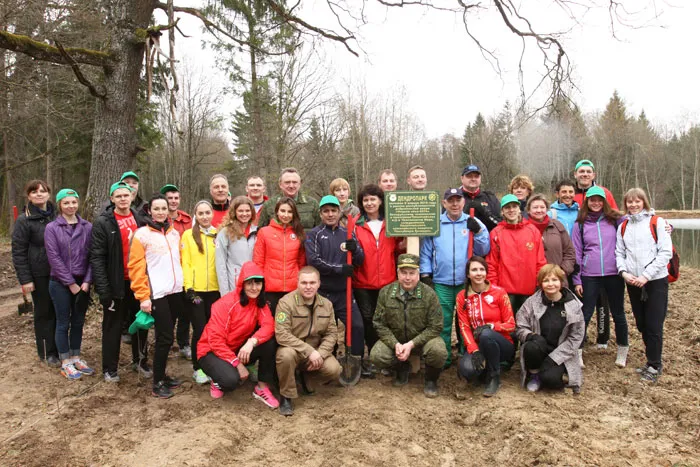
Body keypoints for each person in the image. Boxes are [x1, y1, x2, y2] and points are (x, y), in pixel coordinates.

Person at [419, 188, 490, 367]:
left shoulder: (472, 222)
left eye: (458, 200)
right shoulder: (435, 224)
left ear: (463, 202)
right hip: (441, 282)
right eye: (450, 200)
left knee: (466, 321)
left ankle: (467, 355)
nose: (455, 204)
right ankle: (444, 357)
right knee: (442, 322)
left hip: (466, 282)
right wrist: (426, 274)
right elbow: (426, 252)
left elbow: (484, 250)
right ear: (444, 204)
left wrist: (479, 233)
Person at [91, 181, 150, 382]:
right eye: (119, 196)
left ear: (132, 197)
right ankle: (110, 368)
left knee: (140, 322)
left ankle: (140, 361)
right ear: (112, 199)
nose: (123, 199)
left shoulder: (140, 219)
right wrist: (103, 290)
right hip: (116, 282)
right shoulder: (103, 222)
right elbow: (97, 257)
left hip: (138, 281)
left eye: (127, 195)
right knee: (112, 326)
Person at [197, 262, 279, 407]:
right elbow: (215, 341)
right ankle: (216, 380)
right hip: (211, 351)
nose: (254, 288)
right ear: (242, 284)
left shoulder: (259, 303)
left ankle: (261, 387)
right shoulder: (225, 304)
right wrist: (237, 363)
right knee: (230, 381)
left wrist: (251, 342)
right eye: (249, 283)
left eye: (258, 283)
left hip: (236, 347)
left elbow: (269, 326)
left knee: (269, 342)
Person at [129, 194, 186, 398]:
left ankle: (163, 374)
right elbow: (136, 267)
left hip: (175, 292)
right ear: (149, 211)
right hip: (157, 294)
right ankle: (157, 382)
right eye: (157, 208)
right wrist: (143, 296)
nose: (161, 211)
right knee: (164, 338)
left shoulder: (173, 233)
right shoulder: (141, 235)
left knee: (168, 336)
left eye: (164, 208)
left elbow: (178, 260)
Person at [615, 188, 673, 383]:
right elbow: (619, 253)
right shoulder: (623, 226)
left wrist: (646, 276)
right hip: (633, 281)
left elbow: (665, 253)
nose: (633, 205)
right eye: (629, 202)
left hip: (655, 281)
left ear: (644, 202)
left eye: (637, 201)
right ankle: (650, 361)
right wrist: (624, 272)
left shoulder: (657, 223)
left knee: (654, 324)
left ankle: (655, 364)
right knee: (641, 323)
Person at [370, 254, 447, 397]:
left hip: (422, 341)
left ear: (418, 274)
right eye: (404, 273)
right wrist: (395, 344)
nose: (407, 278)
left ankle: (431, 380)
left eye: (412, 273)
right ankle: (401, 368)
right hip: (397, 340)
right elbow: (379, 323)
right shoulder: (386, 292)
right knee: (377, 355)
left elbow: (436, 326)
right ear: (397, 273)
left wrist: (412, 344)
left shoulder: (429, 294)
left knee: (438, 351)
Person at [571, 186, 629, 368]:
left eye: (599, 200)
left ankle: (622, 350)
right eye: (592, 200)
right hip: (590, 275)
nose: (596, 203)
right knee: (585, 314)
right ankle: (577, 352)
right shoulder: (579, 224)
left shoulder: (616, 220)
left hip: (614, 273)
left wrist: (667, 226)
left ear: (604, 202)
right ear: (586, 202)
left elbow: (639, 222)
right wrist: (577, 279)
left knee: (618, 313)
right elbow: (577, 253)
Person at [305, 195, 365, 364]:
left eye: (333, 210)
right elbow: (313, 261)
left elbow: (359, 260)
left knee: (357, 326)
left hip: (345, 292)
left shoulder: (347, 233)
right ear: (321, 213)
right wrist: (339, 269)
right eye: (326, 211)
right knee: (324, 330)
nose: (330, 214)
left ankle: (356, 359)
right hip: (323, 293)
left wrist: (356, 249)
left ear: (339, 212)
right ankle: (327, 360)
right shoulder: (314, 235)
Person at [275, 266, 342, 416]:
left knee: (335, 370)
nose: (308, 287)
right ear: (297, 283)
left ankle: (307, 377)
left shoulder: (327, 305)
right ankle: (286, 396)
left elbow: (331, 334)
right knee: (285, 356)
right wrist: (309, 351)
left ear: (319, 283)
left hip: (316, 350)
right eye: (304, 283)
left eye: (312, 283)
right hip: (294, 349)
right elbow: (282, 334)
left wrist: (321, 353)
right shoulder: (286, 303)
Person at [45, 189, 94, 379]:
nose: (71, 206)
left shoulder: (87, 226)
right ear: (59, 205)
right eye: (66, 203)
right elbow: (54, 258)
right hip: (60, 283)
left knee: (78, 321)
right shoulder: (52, 228)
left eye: (74, 202)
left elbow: (92, 255)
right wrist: (71, 283)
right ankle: (65, 360)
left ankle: (76, 356)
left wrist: (87, 281)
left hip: (83, 283)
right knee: (63, 321)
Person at [353, 184, 402, 375]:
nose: (369, 203)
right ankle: (373, 356)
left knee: (386, 319)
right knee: (368, 319)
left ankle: (387, 356)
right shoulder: (355, 225)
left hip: (388, 281)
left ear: (380, 201)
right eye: (365, 200)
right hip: (363, 281)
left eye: (373, 199)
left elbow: (398, 249)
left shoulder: (391, 223)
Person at [516, 264, 585, 394]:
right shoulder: (532, 302)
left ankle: (560, 375)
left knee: (550, 380)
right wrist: (531, 336)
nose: (550, 284)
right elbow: (520, 325)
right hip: (539, 348)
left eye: (554, 280)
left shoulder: (573, 305)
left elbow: (576, 337)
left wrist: (553, 358)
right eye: (546, 280)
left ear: (561, 282)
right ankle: (534, 374)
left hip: (561, 352)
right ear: (541, 283)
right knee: (531, 346)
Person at [12, 180, 59, 367]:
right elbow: (19, 251)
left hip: (60, 272)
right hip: (39, 274)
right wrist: (25, 279)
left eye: (43, 191)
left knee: (60, 312)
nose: (39, 194)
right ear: (29, 196)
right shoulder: (24, 220)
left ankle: (60, 348)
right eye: (34, 191)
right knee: (44, 313)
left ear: (49, 193)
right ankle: (47, 352)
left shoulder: (58, 215)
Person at [572, 159, 617, 349]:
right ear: (575, 174)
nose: (584, 174)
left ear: (594, 174)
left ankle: (603, 337)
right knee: (584, 303)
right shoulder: (570, 193)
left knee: (603, 302)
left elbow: (615, 215)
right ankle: (580, 339)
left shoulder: (604, 193)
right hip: (582, 253)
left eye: (588, 171)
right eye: (581, 171)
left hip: (606, 259)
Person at [456, 256, 515, 397]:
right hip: (478, 345)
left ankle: (494, 376)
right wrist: (474, 350)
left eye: (482, 269)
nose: (478, 273)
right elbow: (464, 326)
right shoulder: (462, 296)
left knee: (486, 334)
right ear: (468, 274)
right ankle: (484, 368)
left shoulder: (499, 293)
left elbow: (511, 325)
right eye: (474, 270)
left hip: (502, 344)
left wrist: (491, 326)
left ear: (486, 272)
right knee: (467, 370)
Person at [181, 200, 220, 385]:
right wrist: (188, 288)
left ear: (212, 214)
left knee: (213, 330)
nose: (204, 216)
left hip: (215, 290)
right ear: (195, 215)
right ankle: (198, 368)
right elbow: (186, 263)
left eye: (207, 213)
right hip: (195, 291)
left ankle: (212, 364)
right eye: (200, 213)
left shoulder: (218, 234)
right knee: (199, 329)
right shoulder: (188, 236)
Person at [486, 194, 546, 314]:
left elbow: (540, 261)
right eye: (507, 207)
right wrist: (493, 288)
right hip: (506, 291)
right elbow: (492, 263)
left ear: (519, 209)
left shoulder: (532, 231)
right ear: (502, 211)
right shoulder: (496, 233)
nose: (511, 210)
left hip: (529, 290)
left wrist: (539, 283)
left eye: (514, 206)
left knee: (528, 326)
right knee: (508, 327)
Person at [253, 197, 306, 315]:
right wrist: (259, 285)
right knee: (271, 324)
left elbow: (301, 262)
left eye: (289, 212)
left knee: (291, 324)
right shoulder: (264, 232)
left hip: (293, 288)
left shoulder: (299, 233)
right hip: (270, 288)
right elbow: (258, 261)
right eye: (283, 211)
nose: (286, 215)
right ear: (277, 212)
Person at [160, 183, 193, 359]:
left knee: (186, 310)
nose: (173, 201)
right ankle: (166, 342)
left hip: (185, 270)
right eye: (169, 198)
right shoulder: (159, 219)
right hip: (166, 272)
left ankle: (184, 343)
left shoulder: (187, 220)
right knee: (169, 311)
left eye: (176, 198)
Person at [526, 194, 576, 288]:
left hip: (557, 281)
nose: (539, 210)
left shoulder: (557, 226)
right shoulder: (523, 229)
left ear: (547, 209)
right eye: (535, 207)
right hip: (531, 283)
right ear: (528, 210)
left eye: (542, 207)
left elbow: (570, 252)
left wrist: (562, 271)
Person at [216, 196, 257, 296]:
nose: (244, 214)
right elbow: (220, 265)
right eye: (240, 211)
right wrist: (225, 293)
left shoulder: (256, 231)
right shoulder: (225, 233)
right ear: (234, 212)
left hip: (254, 284)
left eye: (247, 211)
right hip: (234, 284)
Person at [258, 167, 320, 232]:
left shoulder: (312, 204)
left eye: (294, 182)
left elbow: (321, 231)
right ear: (280, 184)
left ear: (300, 184)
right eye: (287, 182)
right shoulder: (269, 205)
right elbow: (261, 231)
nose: (291, 186)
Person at [459, 164, 501, 231]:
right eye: (469, 176)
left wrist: (484, 212)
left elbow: (501, 223)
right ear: (462, 178)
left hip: (487, 239)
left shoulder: (490, 198)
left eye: (476, 176)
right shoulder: (453, 198)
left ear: (480, 178)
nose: (473, 179)